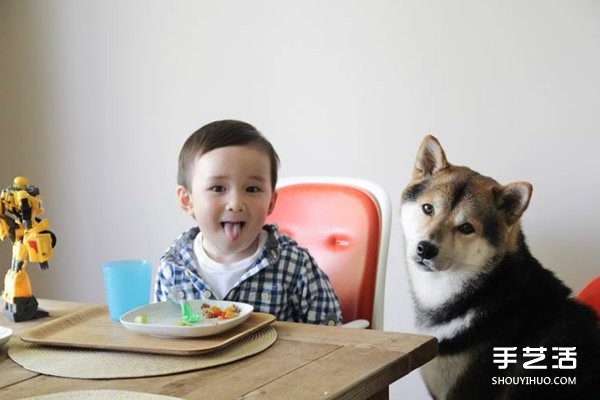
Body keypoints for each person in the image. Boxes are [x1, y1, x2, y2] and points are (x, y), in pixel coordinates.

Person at [154, 120, 343, 325]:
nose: (235, 204)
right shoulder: (173, 268)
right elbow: (163, 341)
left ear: (270, 202)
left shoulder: (296, 266)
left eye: (252, 189)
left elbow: (331, 339)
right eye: (218, 188)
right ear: (187, 200)